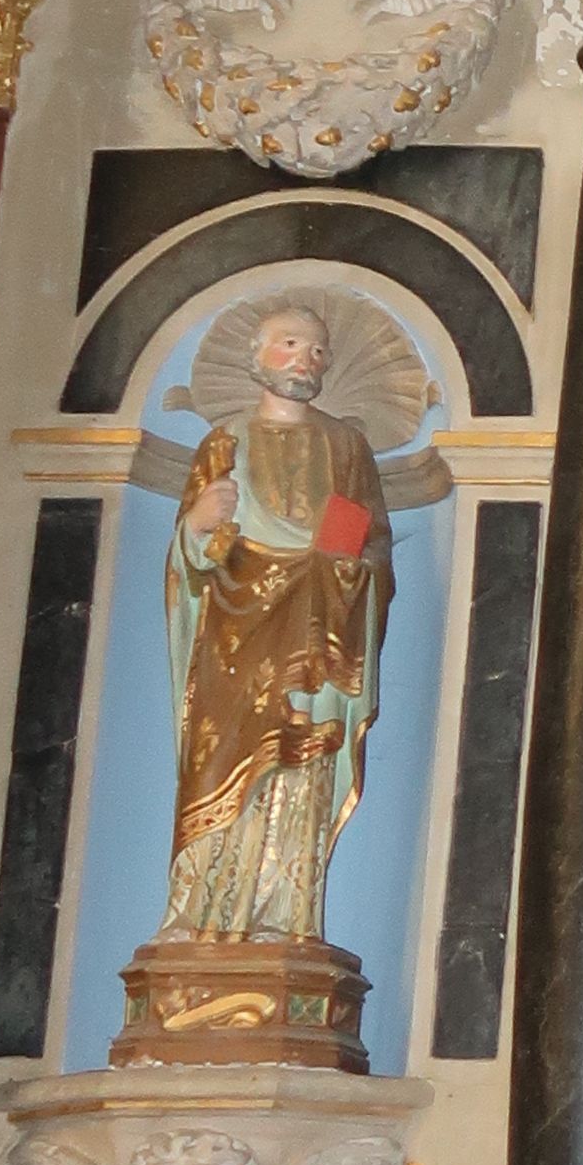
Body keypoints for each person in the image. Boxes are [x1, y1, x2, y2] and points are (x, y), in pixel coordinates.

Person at [155, 299, 392, 952]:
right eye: (289, 344)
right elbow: (191, 564)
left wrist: (347, 572)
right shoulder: (224, 442)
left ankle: (283, 922)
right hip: (235, 643)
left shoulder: (347, 446)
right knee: (219, 765)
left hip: (317, 632)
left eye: (316, 350)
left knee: (301, 766)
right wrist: (198, 525)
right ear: (256, 356)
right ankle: (201, 918)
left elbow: (372, 544)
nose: (304, 359)